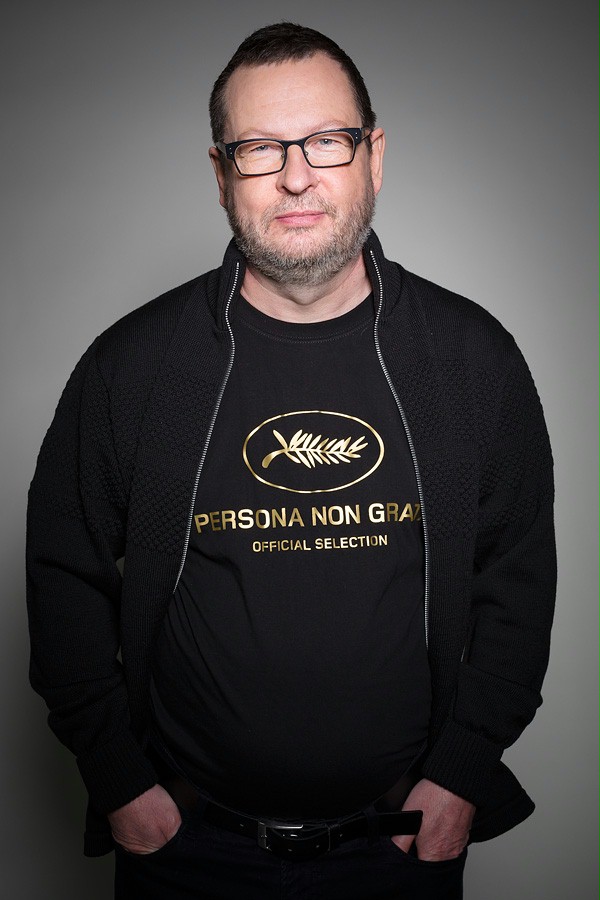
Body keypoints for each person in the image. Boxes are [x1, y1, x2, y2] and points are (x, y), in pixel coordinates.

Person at [26, 22, 556, 900]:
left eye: (326, 141)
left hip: (400, 848)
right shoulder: (132, 368)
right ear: (221, 173)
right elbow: (62, 576)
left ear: (374, 156)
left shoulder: (472, 360)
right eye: (261, 148)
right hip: (188, 853)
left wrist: (463, 772)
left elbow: (518, 584)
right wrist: (117, 779)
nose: (297, 175)